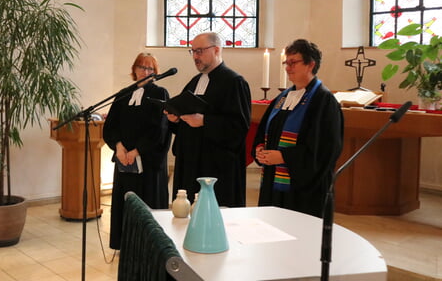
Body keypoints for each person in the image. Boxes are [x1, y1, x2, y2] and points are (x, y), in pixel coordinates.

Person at [252, 39, 344, 218]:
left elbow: (327, 149)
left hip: (303, 191)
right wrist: (260, 149)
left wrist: (284, 156)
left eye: (293, 62)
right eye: (286, 62)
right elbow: (265, 130)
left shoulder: (324, 101)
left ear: (311, 64)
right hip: (273, 182)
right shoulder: (283, 98)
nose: (288, 67)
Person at [167, 32, 252, 207]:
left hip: (216, 167)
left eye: (200, 51)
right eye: (193, 52)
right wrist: (175, 119)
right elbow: (186, 121)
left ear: (216, 50)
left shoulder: (234, 82)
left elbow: (239, 127)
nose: (195, 57)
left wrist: (205, 121)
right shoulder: (194, 82)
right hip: (190, 163)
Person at [103, 53, 171, 250]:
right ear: (134, 70)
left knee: (147, 206)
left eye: (150, 69)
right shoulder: (123, 94)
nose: (146, 71)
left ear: (155, 73)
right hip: (124, 161)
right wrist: (118, 146)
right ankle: (125, 244)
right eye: (142, 67)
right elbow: (110, 126)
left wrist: (137, 151)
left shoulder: (160, 94)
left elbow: (160, 128)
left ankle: (149, 248)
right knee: (125, 202)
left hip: (148, 164)